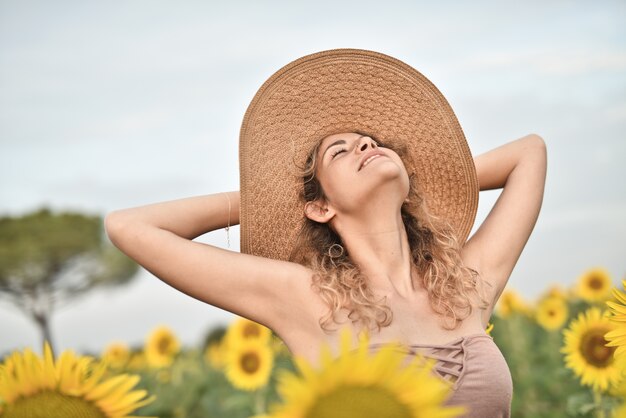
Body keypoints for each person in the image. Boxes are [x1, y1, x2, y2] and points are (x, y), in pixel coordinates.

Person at [105, 49, 547, 416]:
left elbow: (530, 152)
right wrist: (269, 202)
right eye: (341, 150)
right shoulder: (308, 299)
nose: (366, 145)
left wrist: (414, 178)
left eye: (372, 143)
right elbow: (129, 227)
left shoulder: (463, 285)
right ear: (320, 206)